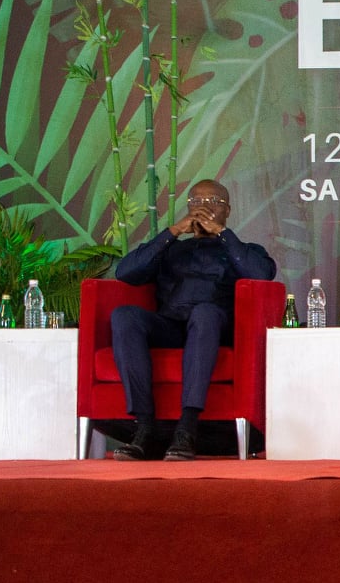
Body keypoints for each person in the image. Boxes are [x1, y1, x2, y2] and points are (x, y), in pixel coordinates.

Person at [109, 179, 278, 461]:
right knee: (124, 316)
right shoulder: (172, 248)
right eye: (196, 202)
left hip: (214, 327)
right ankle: (145, 428)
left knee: (204, 313)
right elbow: (125, 273)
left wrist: (222, 234)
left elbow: (261, 274)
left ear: (227, 210)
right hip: (172, 325)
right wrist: (173, 232)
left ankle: (186, 429)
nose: (203, 209)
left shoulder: (244, 249)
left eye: (213, 203)